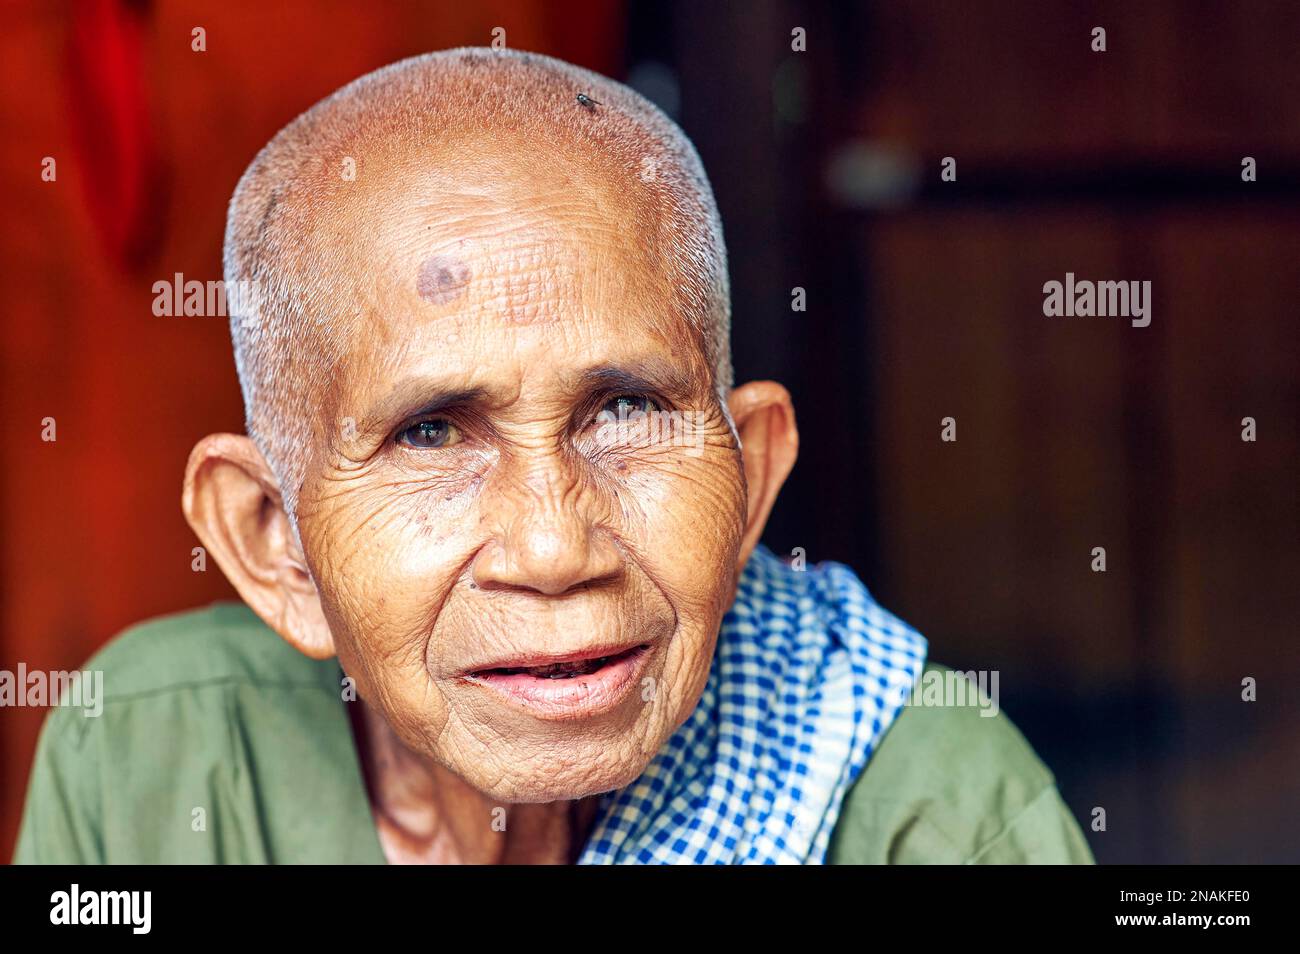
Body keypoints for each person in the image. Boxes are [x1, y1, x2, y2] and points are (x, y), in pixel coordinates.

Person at [15, 47, 1093, 865]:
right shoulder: (152, 755)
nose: (550, 546)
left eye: (623, 410)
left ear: (750, 476)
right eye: (430, 433)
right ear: (271, 542)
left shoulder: (938, 818)